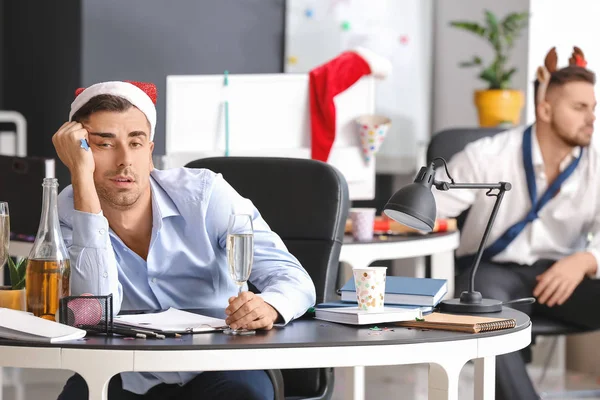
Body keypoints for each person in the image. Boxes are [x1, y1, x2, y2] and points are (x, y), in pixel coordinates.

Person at [52, 81, 316, 400]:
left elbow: (294, 279)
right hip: (124, 372)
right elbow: (94, 313)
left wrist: (270, 306)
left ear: (150, 151)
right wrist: (82, 182)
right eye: (104, 144)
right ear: (78, 151)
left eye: (136, 143)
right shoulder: (67, 214)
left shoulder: (204, 195)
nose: (124, 160)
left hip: (219, 366)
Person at [433, 46, 600, 400]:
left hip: (562, 276)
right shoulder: (487, 155)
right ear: (545, 109)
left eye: (593, 108)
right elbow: (431, 208)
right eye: (580, 108)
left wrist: (585, 259)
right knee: (486, 315)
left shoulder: (595, 165)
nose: (592, 118)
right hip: (492, 273)